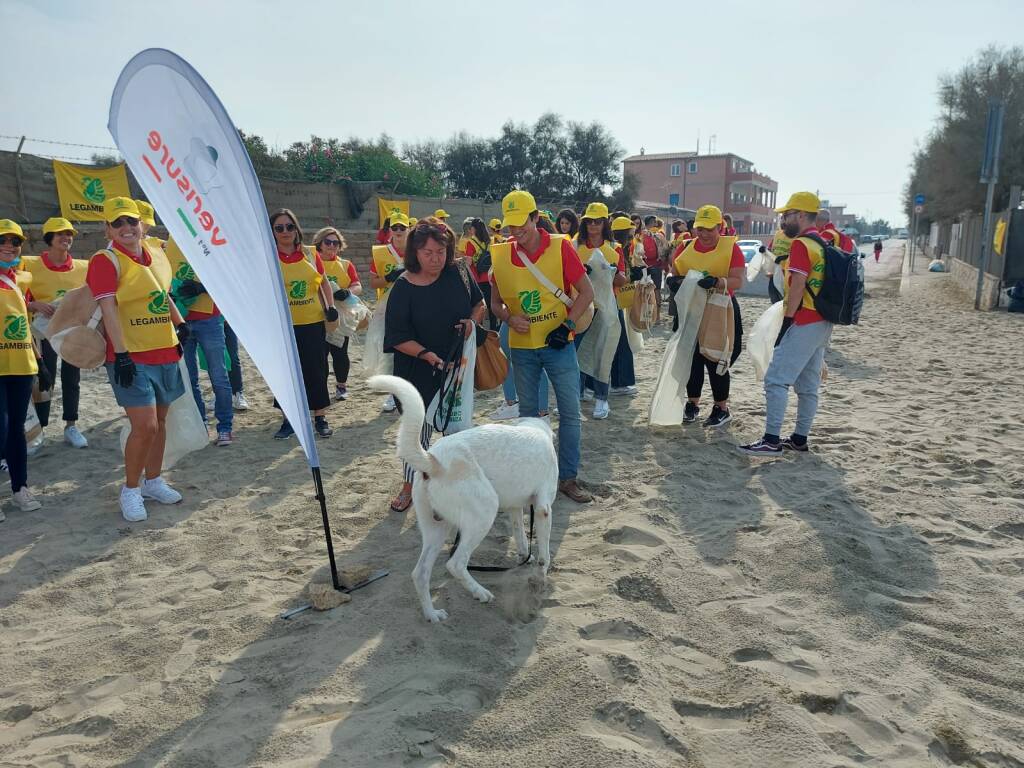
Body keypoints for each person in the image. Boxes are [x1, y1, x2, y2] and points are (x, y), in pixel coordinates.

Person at [489, 191, 595, 503]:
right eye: (510, 226)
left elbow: (586, 293)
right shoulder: (501, 255)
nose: (515, 232)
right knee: (528, 414)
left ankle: (568, 478)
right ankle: (530, 479)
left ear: (536, 217)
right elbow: (494, 303)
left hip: (558, 345)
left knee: (571, 414)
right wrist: (509, 317)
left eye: (521, 224)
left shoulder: (561, 246)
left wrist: (568, 324)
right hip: (521, 348)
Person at [86, 198, 187, 522]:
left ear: (142, 224)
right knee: (144, 426)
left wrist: (179, 324)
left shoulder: (156, 254)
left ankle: (153, 480)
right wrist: (123, 354)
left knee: (160, 423)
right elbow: (108, 309)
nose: (126, 228)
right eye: (118, 223)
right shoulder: (105, 260)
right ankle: (130, 489)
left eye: (131, 221)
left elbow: (163, 293)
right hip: (132, 356)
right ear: (108, 229)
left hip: (165, 349)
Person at [383, 218, 485, 512]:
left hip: (457, 367)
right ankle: (409, 485)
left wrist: (471, 322)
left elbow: (479, 304)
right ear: (414, 252)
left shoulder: (459, 272)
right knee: (418, 433)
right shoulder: (403, 286)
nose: (435, 259)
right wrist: (426, 353)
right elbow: (397, 336)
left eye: (441, 252)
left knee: (456, 429)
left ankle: (452, 486)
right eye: (428, 252)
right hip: (417, 368)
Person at [741, 192, 832, 455]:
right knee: (808, 385)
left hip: (804, 319)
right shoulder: (821, 243)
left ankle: (771, 440)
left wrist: (787, 322)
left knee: (776, 380)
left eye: (787, 215)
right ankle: (799, 439)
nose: (783, 219)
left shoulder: (803, 244)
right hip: (822, 320)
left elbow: (797, 288)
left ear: (801, 215)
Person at [670, 205, 745, 428]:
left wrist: (717, 281)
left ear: (720, 227)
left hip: (720, 309)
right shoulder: (685, 247)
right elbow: (675, 273)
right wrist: (673, 281)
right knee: (691, 359)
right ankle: (692, 404)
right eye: (700, 228)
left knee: (717, 358)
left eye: (709, 229)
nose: (703, 234)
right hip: (691, 309)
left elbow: (737, 280)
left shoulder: (731, 248)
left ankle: (721, 408)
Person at [269, 209, 338, 440]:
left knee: (317, 370)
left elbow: (324, 283)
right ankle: (289, 420)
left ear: (296, 228)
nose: (285, 232)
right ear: (272, 231)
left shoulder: (310, 254)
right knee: (287, 373)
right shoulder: (269, 256)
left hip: (313, 321)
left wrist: (331, 307)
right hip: (283, 326)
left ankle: (320, 417)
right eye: (279, 228)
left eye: (289, 226)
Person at [23, 217, 88, 448]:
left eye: (69, 234)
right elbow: (14, 290)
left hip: (71, 331)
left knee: (72, 378)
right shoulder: (28, 264)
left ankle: (71, 426)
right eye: (60, 234)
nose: (66, 238)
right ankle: (39, 429)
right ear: (49, 238)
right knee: (44, 379)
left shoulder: (83, 266)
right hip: (42, 332)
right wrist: (33, 304)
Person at [0, 220, 50, 519]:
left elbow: (24, 328)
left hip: (21, 364)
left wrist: (40, 362)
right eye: (3, 240)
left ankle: (20, 488)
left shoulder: (18, 281)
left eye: (15, 242)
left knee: (16, 430)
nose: (9, 246)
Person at [166, 238, 234, 446]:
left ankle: (225, 427)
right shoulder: (167, 246)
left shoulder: (209, 243)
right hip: (181, 319)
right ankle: (201, 425)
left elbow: (228, 277)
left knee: (218, 375)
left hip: (209, 319)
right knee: (190, 378)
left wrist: (201, 287)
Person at [575, 202, 628, 418]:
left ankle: (601, 399)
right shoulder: (575, 246)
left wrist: (610, 272)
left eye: (598, 221)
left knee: (603, 353)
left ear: (605, 223)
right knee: (576, 353)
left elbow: (623, 279)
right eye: (589, 221)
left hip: (606, 305)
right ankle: (574, 396)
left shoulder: (615, 249)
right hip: (581, 305)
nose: (593, 225)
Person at [313, 226, 362, 401]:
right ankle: (321, 388)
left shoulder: (345, 264)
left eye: (336, 242)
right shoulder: (310, 261)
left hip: (340, 315)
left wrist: (348, 292)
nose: (332, 246)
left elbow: (357, 285)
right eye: (328, 242)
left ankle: (341, 386)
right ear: (319, 243)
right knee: (320, 355)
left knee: (340, 353)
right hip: (316, 315)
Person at [369, 211, 411, 412]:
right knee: (390, 353)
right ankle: (393, 396)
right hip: (388, 308)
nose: (399, 231)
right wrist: (389, 277)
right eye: (395, 227)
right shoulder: (380, 252)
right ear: (390, 230)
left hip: (413, 306)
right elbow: (373, 282)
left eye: (403, 227)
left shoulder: (416, 250)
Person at [609, 215, 638, 395]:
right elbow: (618, 280)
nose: (632, 239)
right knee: (620, 343)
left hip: (611, 299)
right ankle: (620, 383)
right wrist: (632, 277)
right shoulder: (616, 249)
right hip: (611, 300)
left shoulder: (619, 249)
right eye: (630, 235)